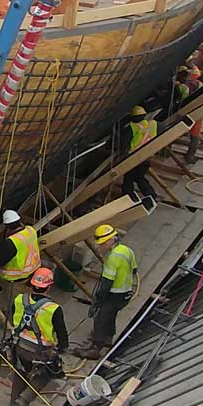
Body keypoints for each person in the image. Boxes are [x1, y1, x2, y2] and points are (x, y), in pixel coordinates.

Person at [8, 268, 68, 406]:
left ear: (31, 283)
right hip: (40, 351)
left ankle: (14, 399)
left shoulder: (19, 299)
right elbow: (62, 333)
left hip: (19, 346)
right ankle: (24, 399)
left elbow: (12, 318)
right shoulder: (53, 309)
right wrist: (62, 347)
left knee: (21, 370)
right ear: (49, 287)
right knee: (48, 373)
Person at [82, 224, 137, 356]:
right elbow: (134, 269)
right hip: (125, 293)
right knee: (111, 315)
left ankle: (95, 348)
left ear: (111, 240)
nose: (101, 246)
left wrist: (99, 298)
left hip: (114, 294)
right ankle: (108, 338)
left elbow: (106, 283)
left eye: (103, 243)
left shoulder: (113, 258)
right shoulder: (127, 250)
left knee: (101, 318)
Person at [116, 105, 160, 204]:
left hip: (134, 157)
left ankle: (128, 196)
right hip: (147, 156)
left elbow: (124, 144)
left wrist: (123, 157)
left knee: (129, 178)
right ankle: (150, 194)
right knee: (139, 177)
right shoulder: (152, 124)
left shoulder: (132, 127)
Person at [0, 209, 41, 283]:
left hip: (17, 276)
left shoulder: (12, 242)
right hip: (34, 268)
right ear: (19, 220)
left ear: (7, 226)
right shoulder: (30, 230)